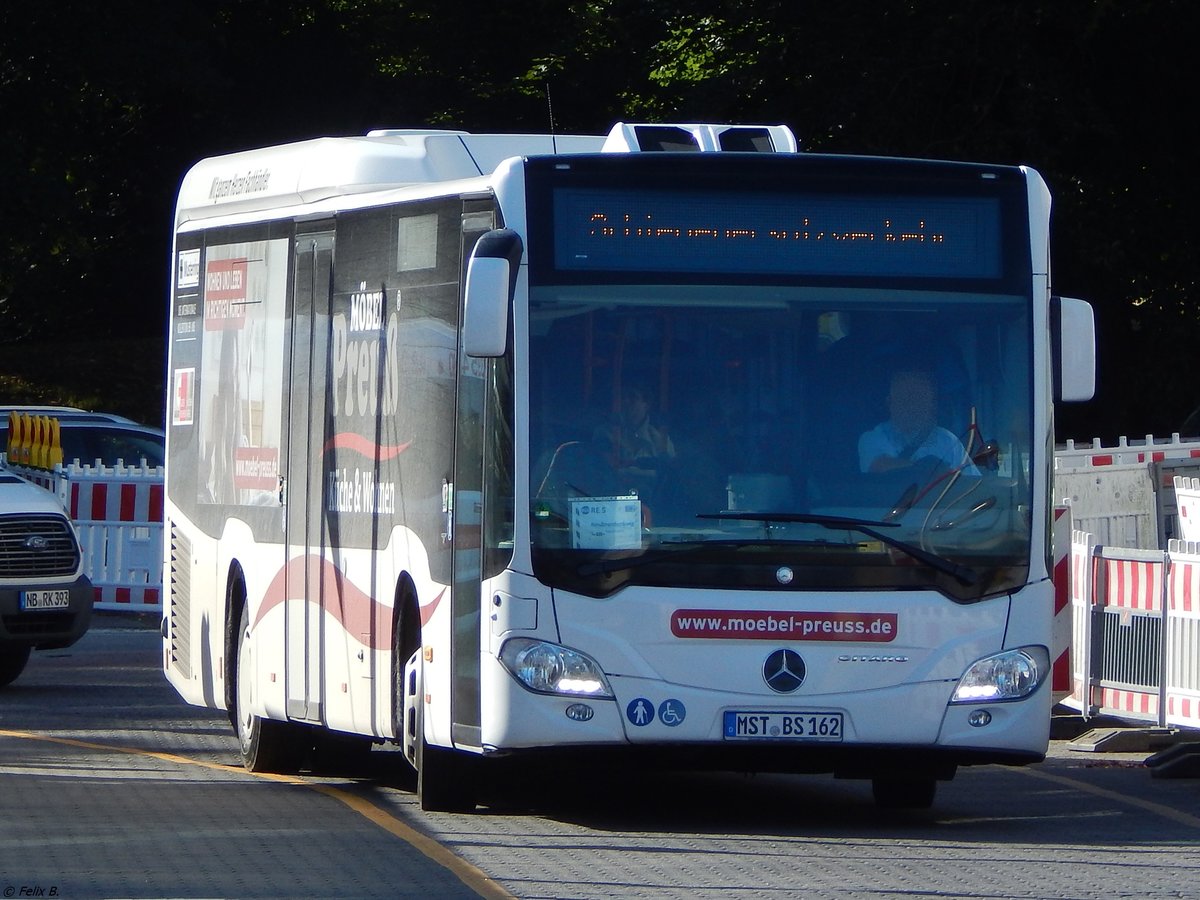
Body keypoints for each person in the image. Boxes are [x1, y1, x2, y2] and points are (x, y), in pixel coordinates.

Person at [858, 369, 979, 476]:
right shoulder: (873, 438)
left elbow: (973, 482)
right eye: (905, 398)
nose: (912, 406)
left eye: (919, 399)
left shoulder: (948, 441)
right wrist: (931, 468)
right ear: (890, 403)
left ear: (932, 405)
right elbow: (881, 467)